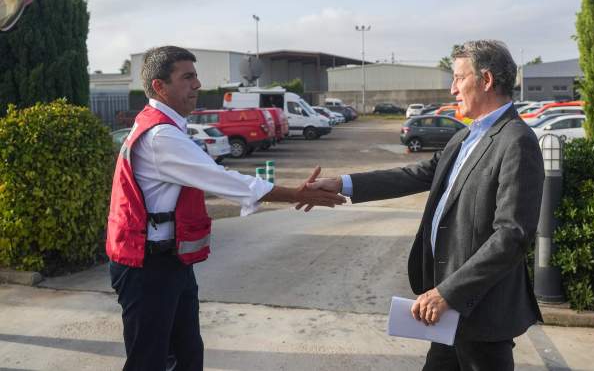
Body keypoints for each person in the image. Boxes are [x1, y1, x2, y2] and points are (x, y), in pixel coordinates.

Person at [301, 40, 544, 370]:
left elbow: (511, 236)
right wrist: (342, 184)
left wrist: (448, 292)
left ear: (485, 80)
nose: (452, 89)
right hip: (445, 308)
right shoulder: (464, 137)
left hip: (479, 312)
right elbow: (412, 175)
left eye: (458, 78)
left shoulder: (516, 141)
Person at [106, 45, 345, 371]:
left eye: (196, 75)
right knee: (150, 360)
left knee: (187, 355)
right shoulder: (162, 136)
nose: (198, 84)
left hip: (167, 261)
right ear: (160, 87)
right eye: (187, 77)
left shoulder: (161, 125)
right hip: (148, 268)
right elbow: (225, 181)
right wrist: (296, 193)